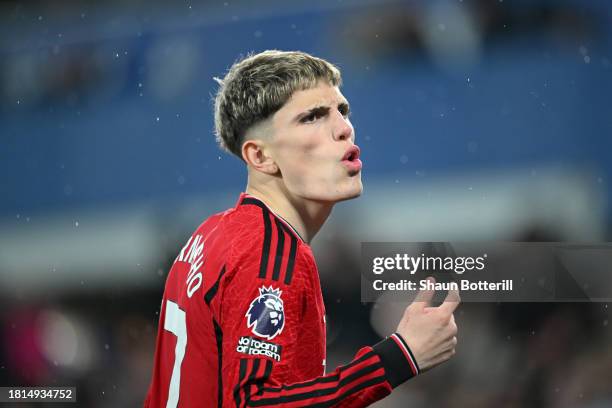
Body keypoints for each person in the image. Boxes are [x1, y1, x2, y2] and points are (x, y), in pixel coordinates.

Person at [144, 50, 460, 408]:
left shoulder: (212, 235)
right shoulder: (269, 251)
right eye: (312, 117)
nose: (344, 128)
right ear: (260, 156)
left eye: (342, 111)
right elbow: (256, 404)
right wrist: (401, 356)